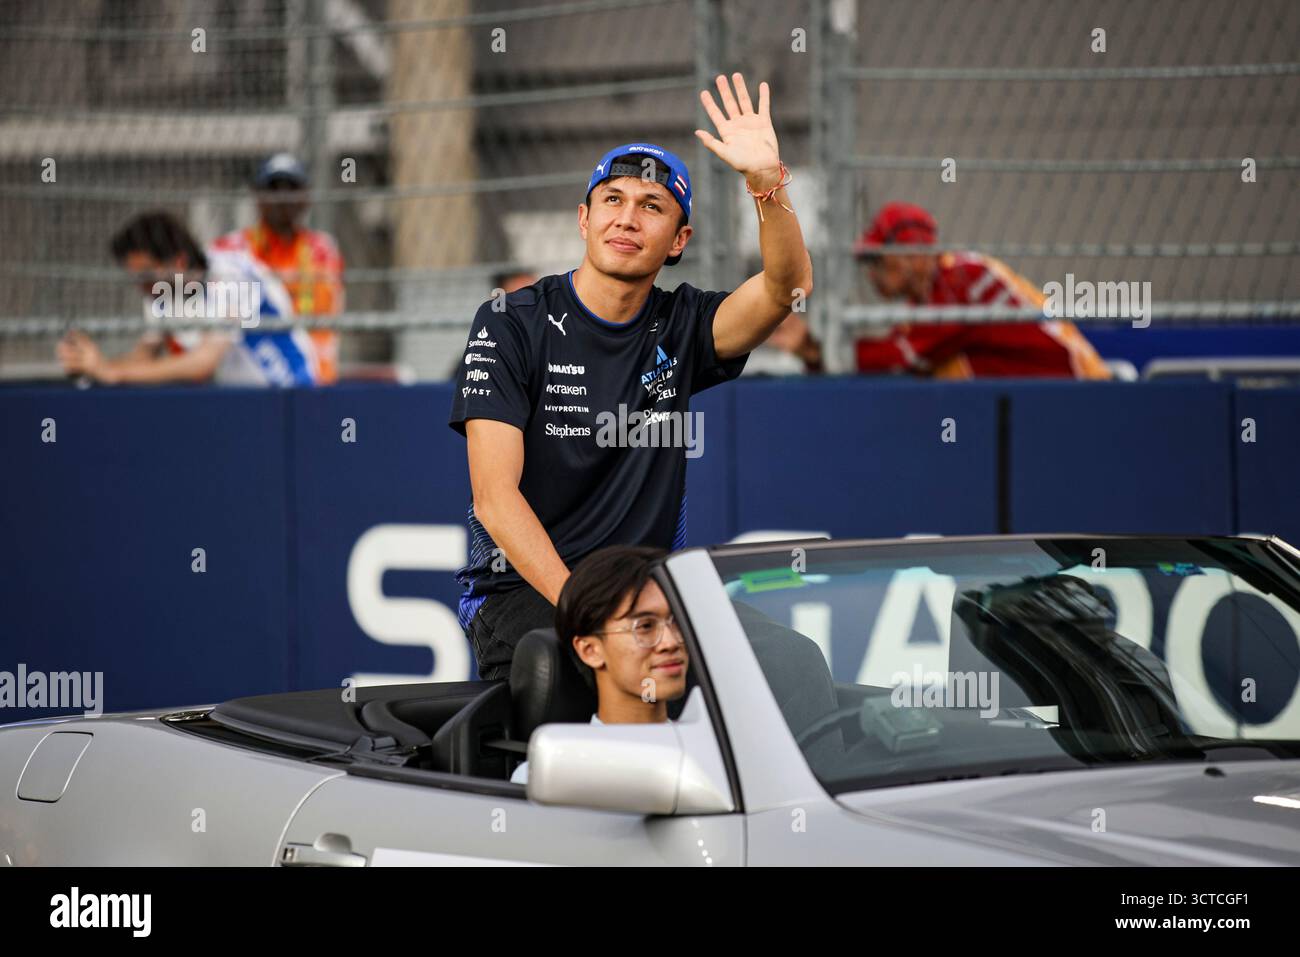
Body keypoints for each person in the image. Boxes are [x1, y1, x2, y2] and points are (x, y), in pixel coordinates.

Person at [449, 72, 814, 680]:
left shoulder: (685, 323)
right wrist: (590, 613)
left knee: (791, 664)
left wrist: (764, 183)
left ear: (679, 240)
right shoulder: (511, 322)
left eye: (651, 207)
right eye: (612, 200)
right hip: (525, 588)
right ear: (584, 219)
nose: (627, 219)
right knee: (562, 674)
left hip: (646, 593)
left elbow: (787, 287)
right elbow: (493, 498)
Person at [58, 211, 319, 387]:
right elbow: (144, 358)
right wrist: (94, 366)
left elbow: (203, 363)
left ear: (180, 262)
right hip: (240, 400)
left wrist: (112, 372)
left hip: (291, 396)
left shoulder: (230, 277)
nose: (142, 287)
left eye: (147, 276)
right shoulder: (159, 290)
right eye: (136, 278)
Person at [853, 202, 1111, 379]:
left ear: (915, 254)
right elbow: (892, 355)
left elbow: (901, 356)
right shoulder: (922, 304)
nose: (873, 273)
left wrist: (827, 353)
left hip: (1081, 385)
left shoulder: (963, 277)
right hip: (1035, 399)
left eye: (878, 259)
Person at [510, 545, 685, 785]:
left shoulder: (721, 753)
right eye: (644, 626)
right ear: (590, 650)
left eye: (677, 622)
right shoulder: (552, 776)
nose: (671, 641)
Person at [211, 153, 344, 383]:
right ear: (257, 196)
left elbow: (327, 320)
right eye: (273, 189)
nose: (283, 198)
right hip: (252, 379)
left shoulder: (323, 250)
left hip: (314, 380)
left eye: (291, 189)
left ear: (306, 197)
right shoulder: (230, 250)